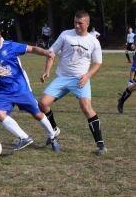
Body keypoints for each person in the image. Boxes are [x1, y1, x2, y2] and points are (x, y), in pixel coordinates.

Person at [0, 27, 60, 151]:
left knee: (37, 115)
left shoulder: (10, 46)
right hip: (3, 91)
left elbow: (31, 48)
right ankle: (24, 137)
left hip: (21, 88)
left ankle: (53, 137)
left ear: (0, 37)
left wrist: (46, 52)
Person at [38, 10, 107, 155]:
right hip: (62, 77)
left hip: (80, 79)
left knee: (86, 107)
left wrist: (87, 76)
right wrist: (47, 70)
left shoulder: (93, 41)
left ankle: (100, 145)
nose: (77, 26)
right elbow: (52, 53)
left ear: (87, 24)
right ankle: (54, 130)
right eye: (75, 22)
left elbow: (98, 63)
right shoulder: (65, 35)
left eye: (80, 23)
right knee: (42, 103)